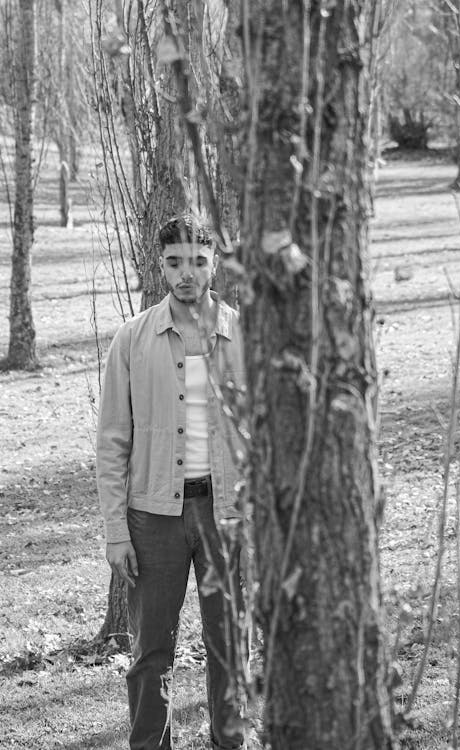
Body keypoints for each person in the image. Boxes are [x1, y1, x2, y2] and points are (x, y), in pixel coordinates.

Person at [96, 216, 246, 750]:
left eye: (198, 262)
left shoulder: (239, 336)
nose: (187, 274)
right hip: (153, 517)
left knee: (229, 645)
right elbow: (113, 440)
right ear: (159, 264)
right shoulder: (132, 339)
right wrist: (117, 532)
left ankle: (230, 743)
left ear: (214, 264)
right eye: (175, 262)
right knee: (150, 651)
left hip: (225, 515)